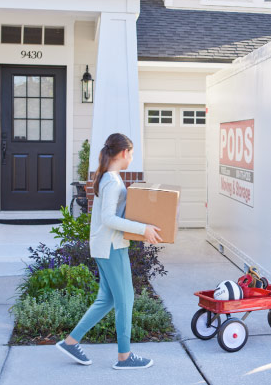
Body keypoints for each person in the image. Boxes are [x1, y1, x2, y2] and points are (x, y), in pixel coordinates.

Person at [56, 133, 162, 370]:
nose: (132, 158)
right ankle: (124, 357)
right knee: (126, 299)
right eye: (132, 153)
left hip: (105, 245)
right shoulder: (112, 181)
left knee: (107, 299)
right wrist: (143, 228)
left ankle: (70, 341)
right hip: (111, 247)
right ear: (125, 153)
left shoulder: (107, 177)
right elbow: (108, 218)